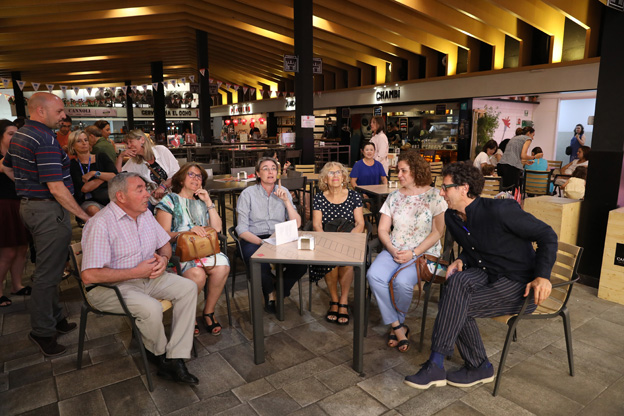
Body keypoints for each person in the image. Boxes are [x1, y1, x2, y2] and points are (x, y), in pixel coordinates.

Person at [404, 162, 557, 390]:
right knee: (455, 283)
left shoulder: (500, 210)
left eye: (446, 187)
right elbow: (474, 246)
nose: (441, 192)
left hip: (519, 282)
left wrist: (542, 276)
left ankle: (467, 365)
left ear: (464, 188)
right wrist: (462, 260)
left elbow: (547, 235)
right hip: (486, 272)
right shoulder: (452, 218)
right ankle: (456, 365)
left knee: (457, 306)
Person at [81, 172, 199, 384]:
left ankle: (176, 355)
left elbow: (163, 243)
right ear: (121, 197)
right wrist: (136, 272)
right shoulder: (100, 224)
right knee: (150, 308)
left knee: (188, 288)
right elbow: (89, 275)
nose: (148, 194)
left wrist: (164, 258)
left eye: (146, 188)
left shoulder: (144, 215)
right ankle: (161, 356)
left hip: (149, 276)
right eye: (140, 189)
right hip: (110, 287)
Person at [2, 92, 90, 356]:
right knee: (47, 275)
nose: (64, 115)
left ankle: (56, 319)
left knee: (48, 269)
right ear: (41, 111)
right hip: (47, 211)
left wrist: (25, 185)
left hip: (31, 207)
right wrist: (85, 217)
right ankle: (42, 332)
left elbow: (5, 166)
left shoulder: (21, 134)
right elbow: (57, 188)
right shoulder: (44, 139)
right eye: (60, 110)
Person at [366, 151, 447, 352]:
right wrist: (392, 248)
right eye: (398, 170)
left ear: (417, 171)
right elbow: (383, 229)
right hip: (395, 248)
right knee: (374, 275)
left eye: (404, 170)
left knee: (402, 283)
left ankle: (397, 325)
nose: (399, 174)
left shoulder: (435, 196)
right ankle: (398, 326)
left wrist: (414, 252)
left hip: (423, 252)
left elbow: (438, 231)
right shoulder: (394, 196)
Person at [155, 163, 230, 336]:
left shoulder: (201, 202)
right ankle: (188, 314)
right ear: (181, 178)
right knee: (197, 274)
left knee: (223, 266)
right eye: (191, 174)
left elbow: (217, 229)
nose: (196, 179)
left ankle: (208, 312)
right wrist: (186, 232)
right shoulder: (170, 200)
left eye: (199, 176)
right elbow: (163, 235)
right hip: (178, 252)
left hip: (203, 250)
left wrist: (209, 202)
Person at [235, 157, 307, 313]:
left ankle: (279, 290)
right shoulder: (248, 194)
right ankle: (270, 294)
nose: (270, 171)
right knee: (259, 262)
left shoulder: (284, 191)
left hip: (279, 237)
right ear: (258, 174)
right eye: (265, 168)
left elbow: (297, 223)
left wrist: (286, 201)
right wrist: (263, 243)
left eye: (273, 168)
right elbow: (241, 229)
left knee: (302, 263)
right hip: (253, 238)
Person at [311, 162, 364, 325]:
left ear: (343, 177)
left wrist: (347, 241)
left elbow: (360, 224)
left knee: (347, 263)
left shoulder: (354, 196)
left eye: (338, 172)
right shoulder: (319, 197)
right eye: (331, 173)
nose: (335, 176)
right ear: (325, 179)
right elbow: (316, 225)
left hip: (349, 239)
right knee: (331, 262)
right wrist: (328, 243)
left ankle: (343, 300)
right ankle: (334, 300)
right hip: (327, 240)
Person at [0, 120, 30, 307]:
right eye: (11, 134)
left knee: (22, 248)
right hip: (3, 206)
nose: (15, 137)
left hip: (21, 203)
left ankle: (17, 285)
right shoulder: (6, 158)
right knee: (8, 251)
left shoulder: (18, 156)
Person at [116, 129, 180, 208]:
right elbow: (118, 176)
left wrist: (163, 187)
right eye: (127, 143)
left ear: (142, 140)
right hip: (156, 200)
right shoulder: (134, 161)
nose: (129, 146)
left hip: (175, 195)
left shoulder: (161, 150)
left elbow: (177, 173)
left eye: (131, 142)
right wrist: (121, 157)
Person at [68, 129, 118, 216]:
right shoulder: (72, 164)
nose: (84, 143)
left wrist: (94, 173)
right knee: (93, 210)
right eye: (79, 141)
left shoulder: (101, 157)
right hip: (89, 201)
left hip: (109, 196)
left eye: (85, 140)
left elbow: (114, 176)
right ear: (72, 146)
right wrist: (104, 177)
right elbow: (85, 188)